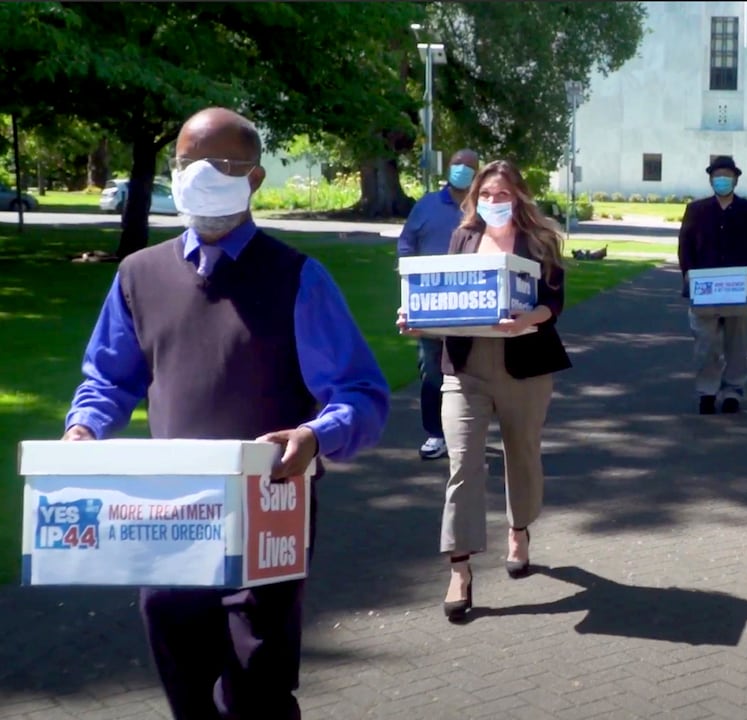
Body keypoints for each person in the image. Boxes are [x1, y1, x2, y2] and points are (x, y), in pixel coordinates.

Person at [61, 107, 390, 719]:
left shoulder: (298, 279)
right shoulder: (139, 275)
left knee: (256, 688)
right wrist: (83, 428)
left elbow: (361, 394)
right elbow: (107, 378)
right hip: (168, 514)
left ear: (256, 178)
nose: (202, 175)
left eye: (224, 164)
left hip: (268, 509)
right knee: (186, 683)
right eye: (189, 162)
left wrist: (316, 435)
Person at [396, 160, 571, 622]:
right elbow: (450, 294)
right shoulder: (462, 238)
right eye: (487, 194)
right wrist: (418, 318)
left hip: (525, 367)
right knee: (462, 465)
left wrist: (528, 319)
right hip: (465, 368)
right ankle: (460, 567)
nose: (494, 202)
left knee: (522, 455)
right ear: (475, 198)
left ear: (519, 196)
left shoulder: (540, 241)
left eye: (503, 194)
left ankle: (519, 528)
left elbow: (554, 301)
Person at [398, 148, 481, 460]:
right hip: (431, 302)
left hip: (472, 303)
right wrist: (408, 277)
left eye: (468, 166)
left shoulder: (482, 207)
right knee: (432, 371)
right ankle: (435, 434)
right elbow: (406, 242)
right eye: (457, 164)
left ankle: (467, 433)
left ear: (477, 173)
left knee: (471, 373)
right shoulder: (427, 205)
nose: (461, 169)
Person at [677, 155, 747, 415]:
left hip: (739, 288)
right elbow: (684, 245)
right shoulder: (696, 210)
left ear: (735, 179)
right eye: (717, 176)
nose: (722, 180)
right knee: (705, 344)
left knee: (736, 344)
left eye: (727, 176)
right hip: (704, 289)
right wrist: (687, 273)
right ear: (710, 179)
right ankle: (707, 391)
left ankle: (733, 391)